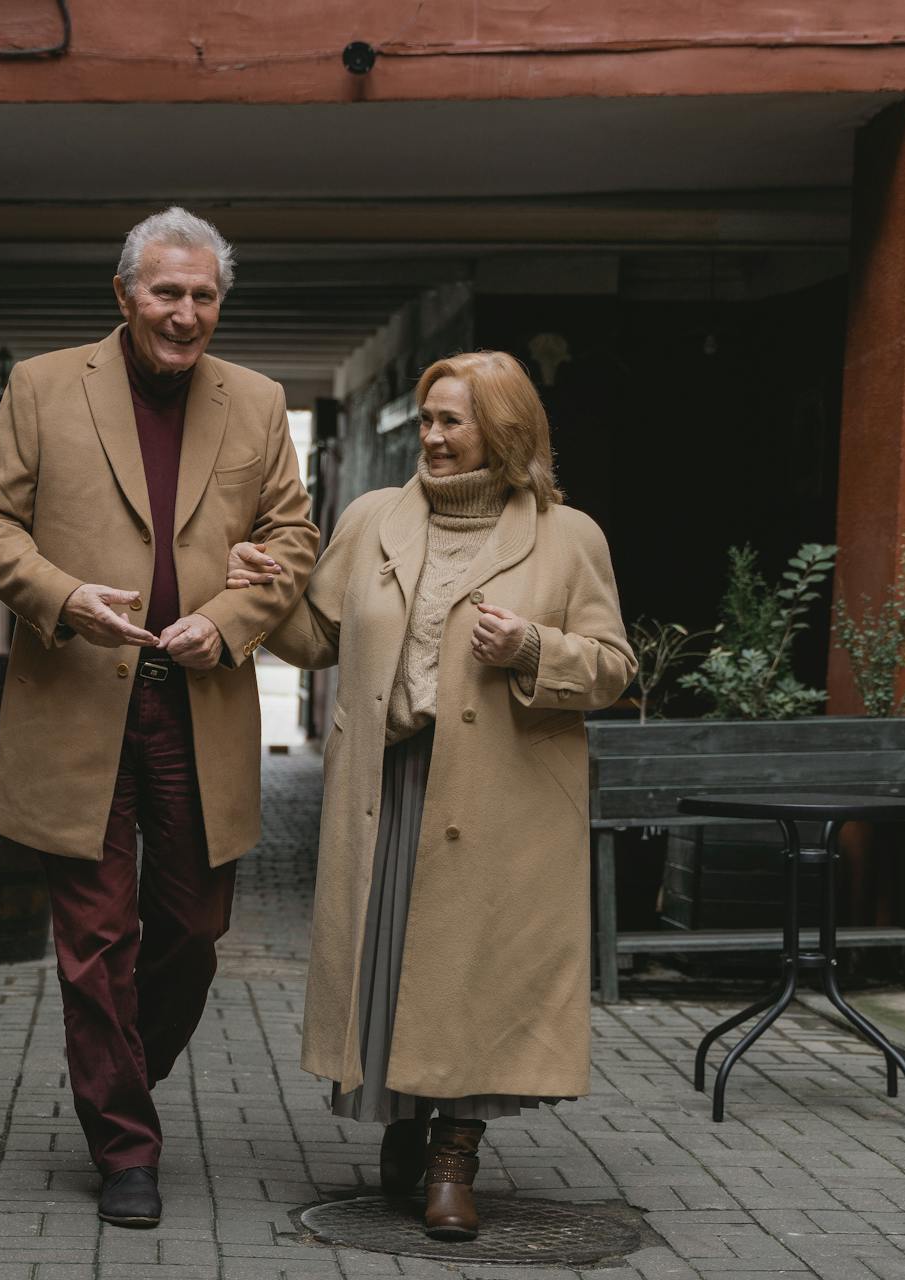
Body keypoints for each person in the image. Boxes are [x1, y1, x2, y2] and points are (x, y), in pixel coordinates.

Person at [0, 207, 318, 1228]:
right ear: (125, 296)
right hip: (78, 704)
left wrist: (232, 619)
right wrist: (63, 596)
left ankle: (116, 1073)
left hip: (197, 704)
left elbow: (292, 537)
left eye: (205, 295)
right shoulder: (42, 385)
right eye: (168, 292)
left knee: (195, 928)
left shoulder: (257, 402)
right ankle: (125, 1144)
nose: (187, 312)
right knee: (96, 934)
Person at [228, 350, 633, 1240]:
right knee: (394, 963)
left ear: (507, 430)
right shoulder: (373, 520)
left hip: (503, 796)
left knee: (472, 975)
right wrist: (263, 594)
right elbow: (317, 636)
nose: (434, 438)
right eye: (428, 420)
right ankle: (405, 1125)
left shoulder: (571, 538)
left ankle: (455, 1157)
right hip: (391, 781)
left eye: (454, 421)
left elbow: (612, 671)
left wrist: (533, 647)